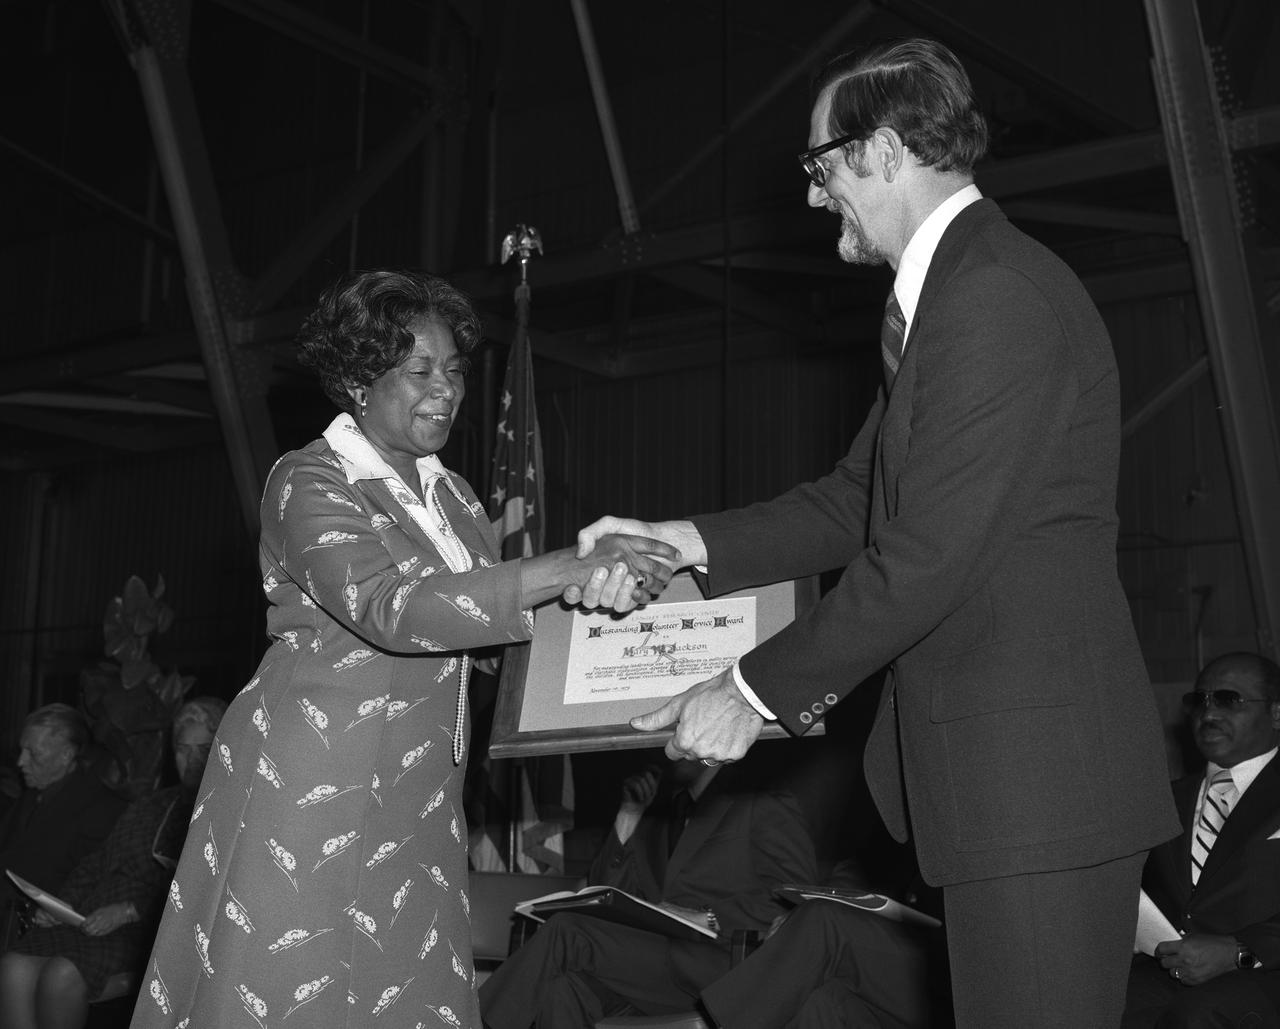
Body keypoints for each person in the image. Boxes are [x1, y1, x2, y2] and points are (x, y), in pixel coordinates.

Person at [567, 38, 1179, 1028]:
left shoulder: (993, 296)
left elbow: (926, 555)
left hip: (1035, 786)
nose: (814, 197)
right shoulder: (948, 299)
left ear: (885, 152)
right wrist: (676, 538)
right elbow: (857, 501)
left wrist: (747, 692)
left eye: (820, 166)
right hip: (1006, 784)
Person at [129, 269, 675, 1029]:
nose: (446, 388)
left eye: (454, 369)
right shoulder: (308, 479)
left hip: (420, 794)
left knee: (414, 998)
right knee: (287, 994)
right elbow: (390, 607)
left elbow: (489, 630)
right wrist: (567, 566)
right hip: (312, 778)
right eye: (420, 370)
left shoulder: (456, 498)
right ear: (359, 379)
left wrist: (635, 624)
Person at [478, 757, 818, 1028]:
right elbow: (607, 893)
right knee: (562, 989)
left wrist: (710, 917)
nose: (670, 746)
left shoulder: (760, 798)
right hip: (650, 968)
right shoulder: (658, 813)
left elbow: (799, 901)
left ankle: (472, 1023)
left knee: (567, 930)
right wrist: (629, 814)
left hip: (720, 968)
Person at [0, 696, 226, 1029]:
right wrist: (61, 904)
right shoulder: (151, 805)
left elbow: (206, 889)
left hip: (149, 928)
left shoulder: (224, 812)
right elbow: (97, 862)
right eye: (182, 749)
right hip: (93, 916)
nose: (191, 761)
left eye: (202, 750)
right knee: (13, 966)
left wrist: (130, 910)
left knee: (61, 973)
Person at [1123, 652, 1280, 1028]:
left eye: (1228, 699)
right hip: (1166, 970)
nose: (1208, 713)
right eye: (1199, 700)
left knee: (1199, 1015)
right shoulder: (1163, 800)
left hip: (1264, 970)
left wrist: (1240, 951)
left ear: (1277, 713)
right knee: (1096, 1002)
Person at [699, 858, 949, 1029]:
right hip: (899, 948)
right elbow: (858, 870)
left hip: (948, 965)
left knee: (823, 919)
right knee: (817, 1001)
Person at [0, 704, 126, 949]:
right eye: (21, 750)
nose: (20, 761)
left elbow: (85, 884)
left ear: (66, 755)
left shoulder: (99, 806)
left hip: (40, 930)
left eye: (33, 753)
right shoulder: (31, 795)